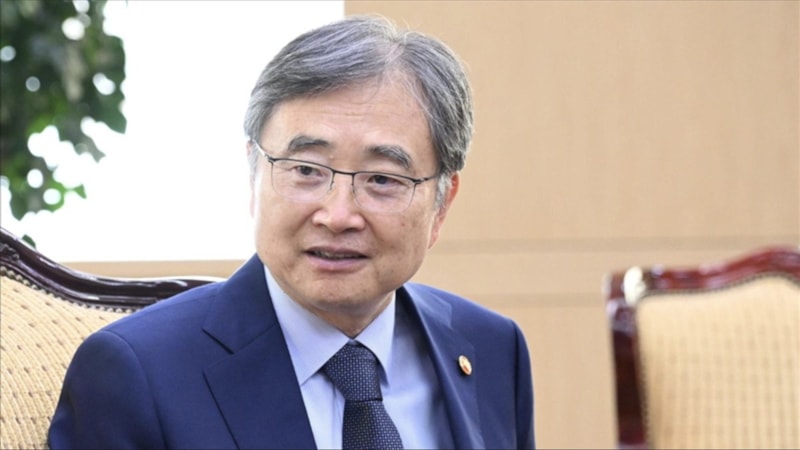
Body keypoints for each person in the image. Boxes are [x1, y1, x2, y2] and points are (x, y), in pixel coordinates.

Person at [48, 15, 534, 449]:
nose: (338, 215)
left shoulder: (493, 348)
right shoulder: (137, 374)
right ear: (253, 174)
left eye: (382, 179)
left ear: (442, 203)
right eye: (306, 170)